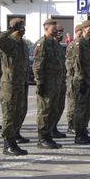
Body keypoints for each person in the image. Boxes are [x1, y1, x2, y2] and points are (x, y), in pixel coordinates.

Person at [0, 18, 29, 155]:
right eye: (20, 27)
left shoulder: (22, 43)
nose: (23, 29)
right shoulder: (8, 42)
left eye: (23, 26)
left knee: (19, 112)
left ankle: (14, 138)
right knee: (9, 114)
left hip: (20, 83)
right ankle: (7, 143)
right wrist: (10, 29)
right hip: (9, 84)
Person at [33, 19, 63, 149]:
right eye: (53, 28)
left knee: (53, 110)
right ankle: (42, 137)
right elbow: (38, 65)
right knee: (45, 110)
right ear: (46, 28)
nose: (56, 30)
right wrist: (40, 82)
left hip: (55, 82)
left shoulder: (54, 43)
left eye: (56, 28)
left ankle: (49, 134)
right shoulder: (42, 43)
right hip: (47, 83)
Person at [72, 20, 90, 144]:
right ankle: (78, 134)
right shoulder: (79, 43)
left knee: (88, 107)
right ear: (83, 29)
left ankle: (84, 131)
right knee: (80, 108)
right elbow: (77, 64)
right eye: (88, 27)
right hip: (81, 80)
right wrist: (81, 80)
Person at [65, 24, 83, 135]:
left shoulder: (83, 44)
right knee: (72, 102)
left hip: (80, 77)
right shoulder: (72, 45)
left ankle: (79, 124)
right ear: (76, 32)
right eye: (79, 31)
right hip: (73, 78)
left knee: (80, 103)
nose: (81, 33)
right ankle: (71, 124)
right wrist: (72, 77)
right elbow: (69, 63)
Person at [52, 24, 67, 139]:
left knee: (59, 106)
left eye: (62, 31)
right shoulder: (47, 45)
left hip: (60, 81)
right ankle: (46, 132)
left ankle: (54, 127)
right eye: (58, 31)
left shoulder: (59, 46)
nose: (60, 33)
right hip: (51, 82)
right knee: (50, 108)